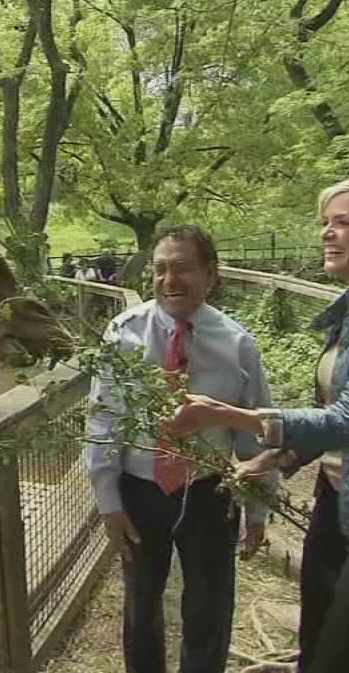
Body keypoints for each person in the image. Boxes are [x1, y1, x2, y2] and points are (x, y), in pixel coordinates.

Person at [166, 175, 349, 673]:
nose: (326, 233)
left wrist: (221, 413)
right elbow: (334, 418)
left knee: (343, 661)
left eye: (342, 223)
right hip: (337, 505)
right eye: (325, 223)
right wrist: (276, 457)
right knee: (315, 650)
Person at [86, 224, 280, 673]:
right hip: (139, 490)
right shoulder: (122, 335)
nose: (169, 281)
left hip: (210, 489)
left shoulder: (236, 344)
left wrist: (257, 509)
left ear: (210, 276)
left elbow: (255, 433)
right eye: (160, 270)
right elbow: (103, 421)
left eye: (183, 269)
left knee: (209, 605)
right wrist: (108, 501)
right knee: (140, 602)